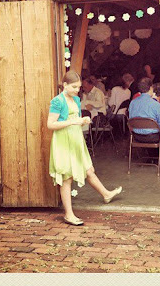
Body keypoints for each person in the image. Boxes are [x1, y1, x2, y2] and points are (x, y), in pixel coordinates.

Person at [47, 71, 122, 226]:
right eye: (74, 87)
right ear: (65, 85)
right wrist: (72, 122)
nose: (77, 90)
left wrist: (83, 120)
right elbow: (51, 124)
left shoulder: (75, 99)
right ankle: (69, 214)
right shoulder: (57, 101)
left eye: (79, 87)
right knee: (66, 178)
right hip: (63, 141)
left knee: (88, 169)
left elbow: (76, 119)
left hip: (76, 139)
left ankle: (106, 194)